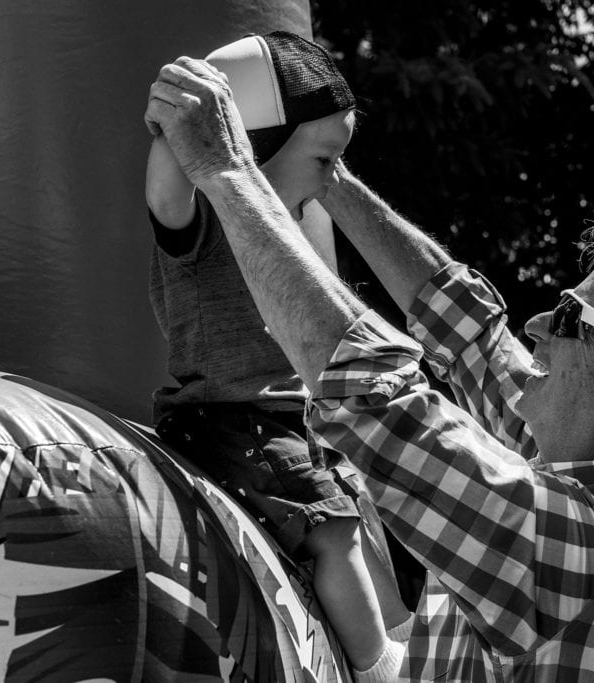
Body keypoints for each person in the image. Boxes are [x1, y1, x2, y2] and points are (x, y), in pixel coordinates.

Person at [144, 54, 594, 682]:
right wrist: (324, 172)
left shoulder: (593, 551)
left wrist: (228, 170)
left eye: (569, 319)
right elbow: (471, 334)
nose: (535, 327)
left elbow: (377, 401)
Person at [144, 32, 409, 682]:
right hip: (231, 419)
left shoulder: (292, 221)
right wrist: (179, 117)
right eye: (324, 158)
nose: (334, 178)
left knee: (368, 509)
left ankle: (401, 639)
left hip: (289, 423)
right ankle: (376, 665)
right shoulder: (206, 218)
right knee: (332, 526)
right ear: (254, 147)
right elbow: (165, 193)